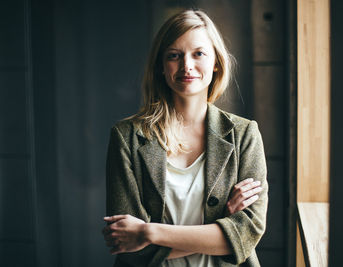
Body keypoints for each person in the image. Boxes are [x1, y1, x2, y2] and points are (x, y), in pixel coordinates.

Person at [102, 9, 268, 267]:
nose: (186, 66)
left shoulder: (244, 135)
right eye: (174, 56)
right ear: (160, 66)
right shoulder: (127, 138)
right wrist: (221, 228)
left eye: (198, 53)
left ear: (216, 62)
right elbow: (128, 247)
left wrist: (148, 232)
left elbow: (247, 234)